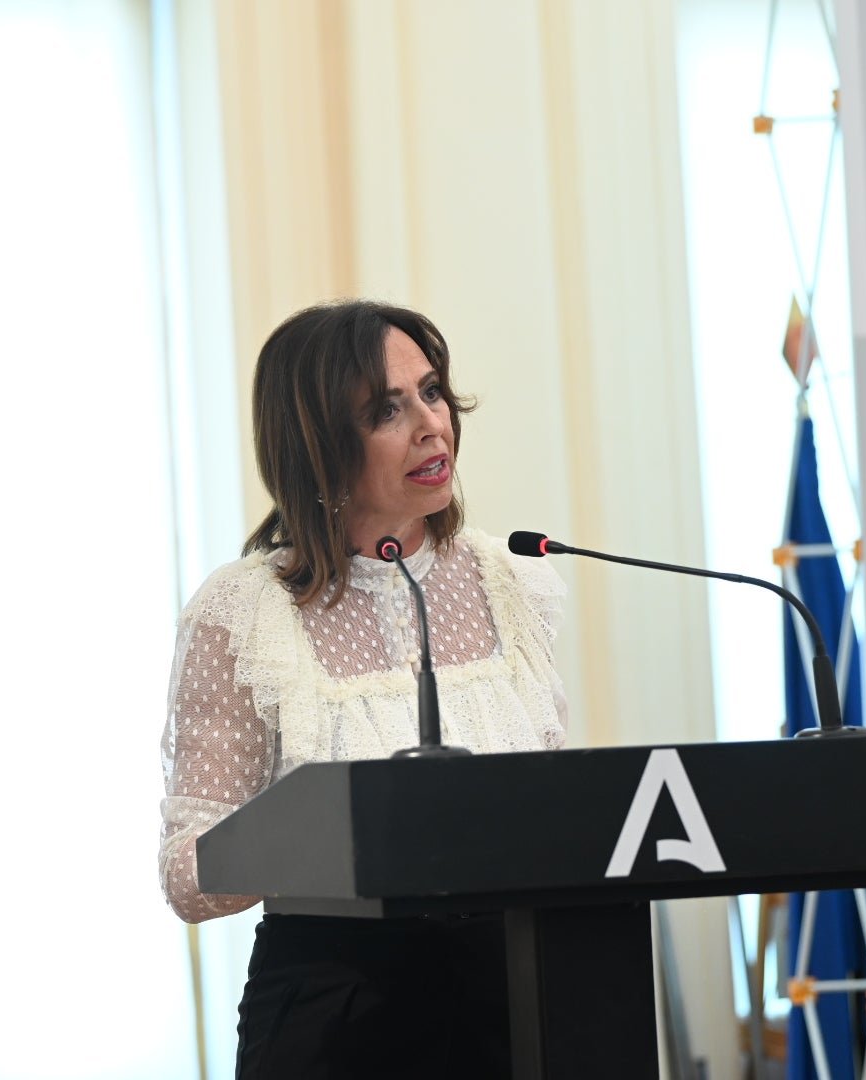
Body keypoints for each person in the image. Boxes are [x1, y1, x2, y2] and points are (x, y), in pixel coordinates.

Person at [157, 300, 569, 1078]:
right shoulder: (244, 614)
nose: (430, 423)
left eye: (432, 391)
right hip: (337, 1013)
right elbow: (187, 874)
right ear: (317, 445)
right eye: (387, 409)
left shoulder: (517, 586)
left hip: (518, 1001)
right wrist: (331, 828)